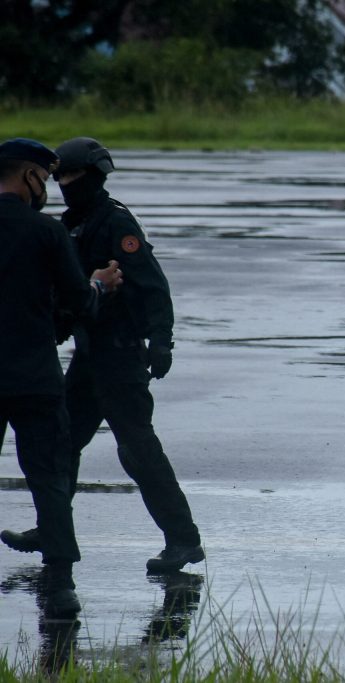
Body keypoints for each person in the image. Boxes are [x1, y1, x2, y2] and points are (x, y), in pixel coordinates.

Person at [0, 137, 203, 574]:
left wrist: (161, 339)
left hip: (121, 359)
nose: (67, 184)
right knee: (62, 444)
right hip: (89, 358)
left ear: (96, 177)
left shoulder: (115, 224)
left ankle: (183, 539)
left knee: (137, 450)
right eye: (61, 178)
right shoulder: (70, 226)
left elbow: (152, 284)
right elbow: (66, 296)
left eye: (75, 177)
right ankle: (49, 528)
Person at [0, 137, 123, 616]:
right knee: (49, 478)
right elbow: (78, 301)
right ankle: (60, 582)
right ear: (29, 176)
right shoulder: (45, 233)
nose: (47, 189)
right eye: (45, 179)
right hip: (34, 379)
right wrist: (100, 283)